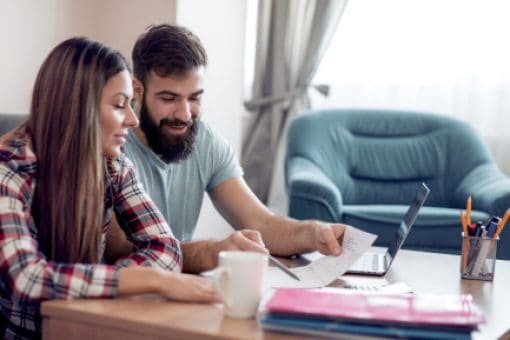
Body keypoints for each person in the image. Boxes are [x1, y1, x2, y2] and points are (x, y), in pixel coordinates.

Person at [0, 37, 219, 339]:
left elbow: (165, 247)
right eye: (119, 105)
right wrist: (152, 280)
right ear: (77, 109)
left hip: (88, 327)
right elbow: (27, 278)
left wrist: (112, 287)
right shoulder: (8, 171)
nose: (132, 119)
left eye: (131, 104)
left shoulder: (113, 165)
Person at [106, 24, 347, 274]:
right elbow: (122, 250)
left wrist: (314, 233)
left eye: (194, 98)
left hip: (180, 288)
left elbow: (262, 222)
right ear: (137, 90)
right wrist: (211, 252)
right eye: (169, 99)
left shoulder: (205, 142)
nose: (185, 114)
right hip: (126, 291)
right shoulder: (113, 147)